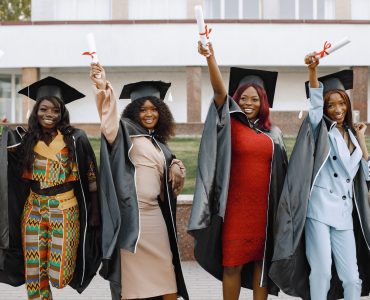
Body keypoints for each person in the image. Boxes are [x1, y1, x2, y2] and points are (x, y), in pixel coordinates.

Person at [187, 42, 287, 300]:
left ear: (263, 102)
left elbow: (283, 175)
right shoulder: (229, 123)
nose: (248, 103)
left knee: (260, 266)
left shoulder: (273, 133)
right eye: (243, 98)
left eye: (255, 99)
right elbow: (219, 91)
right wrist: (211, 58)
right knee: (232, 264)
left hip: (265, 210)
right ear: (235, 99)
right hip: (235, 209)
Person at [269, 54, 370, 299]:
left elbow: (366, 174)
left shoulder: (353, 135)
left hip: (344, 213)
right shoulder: (320, 129)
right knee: (322, 271)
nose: (337, 109)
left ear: (348, 105)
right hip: (319, 211)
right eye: (330, 104)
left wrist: (362, 141)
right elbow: (314, 106)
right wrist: (313, 71)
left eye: (341, 103)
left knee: (352, 278)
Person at [90, 63, 189, 300]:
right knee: (131, 285)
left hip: (155, 217)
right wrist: (102, 86)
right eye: (143, 109)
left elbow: (167, 163)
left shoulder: (158, 143)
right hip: (130, 220)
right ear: (134, 111)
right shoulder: (123, 132)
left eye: (154, 109)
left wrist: (176, 164)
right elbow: (108, 119)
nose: (149, 114)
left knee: (167, 273)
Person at [0, 76, 102, 300]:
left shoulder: (76, 138)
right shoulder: (26, 139)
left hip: (65, 210)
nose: (49, 114)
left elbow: (91, 177)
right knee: (35, 273)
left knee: (59, 275)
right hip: (33, 209)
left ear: (62, 112)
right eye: (44, 109)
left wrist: (94, 212)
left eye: (55, 110)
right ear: (36, 111)